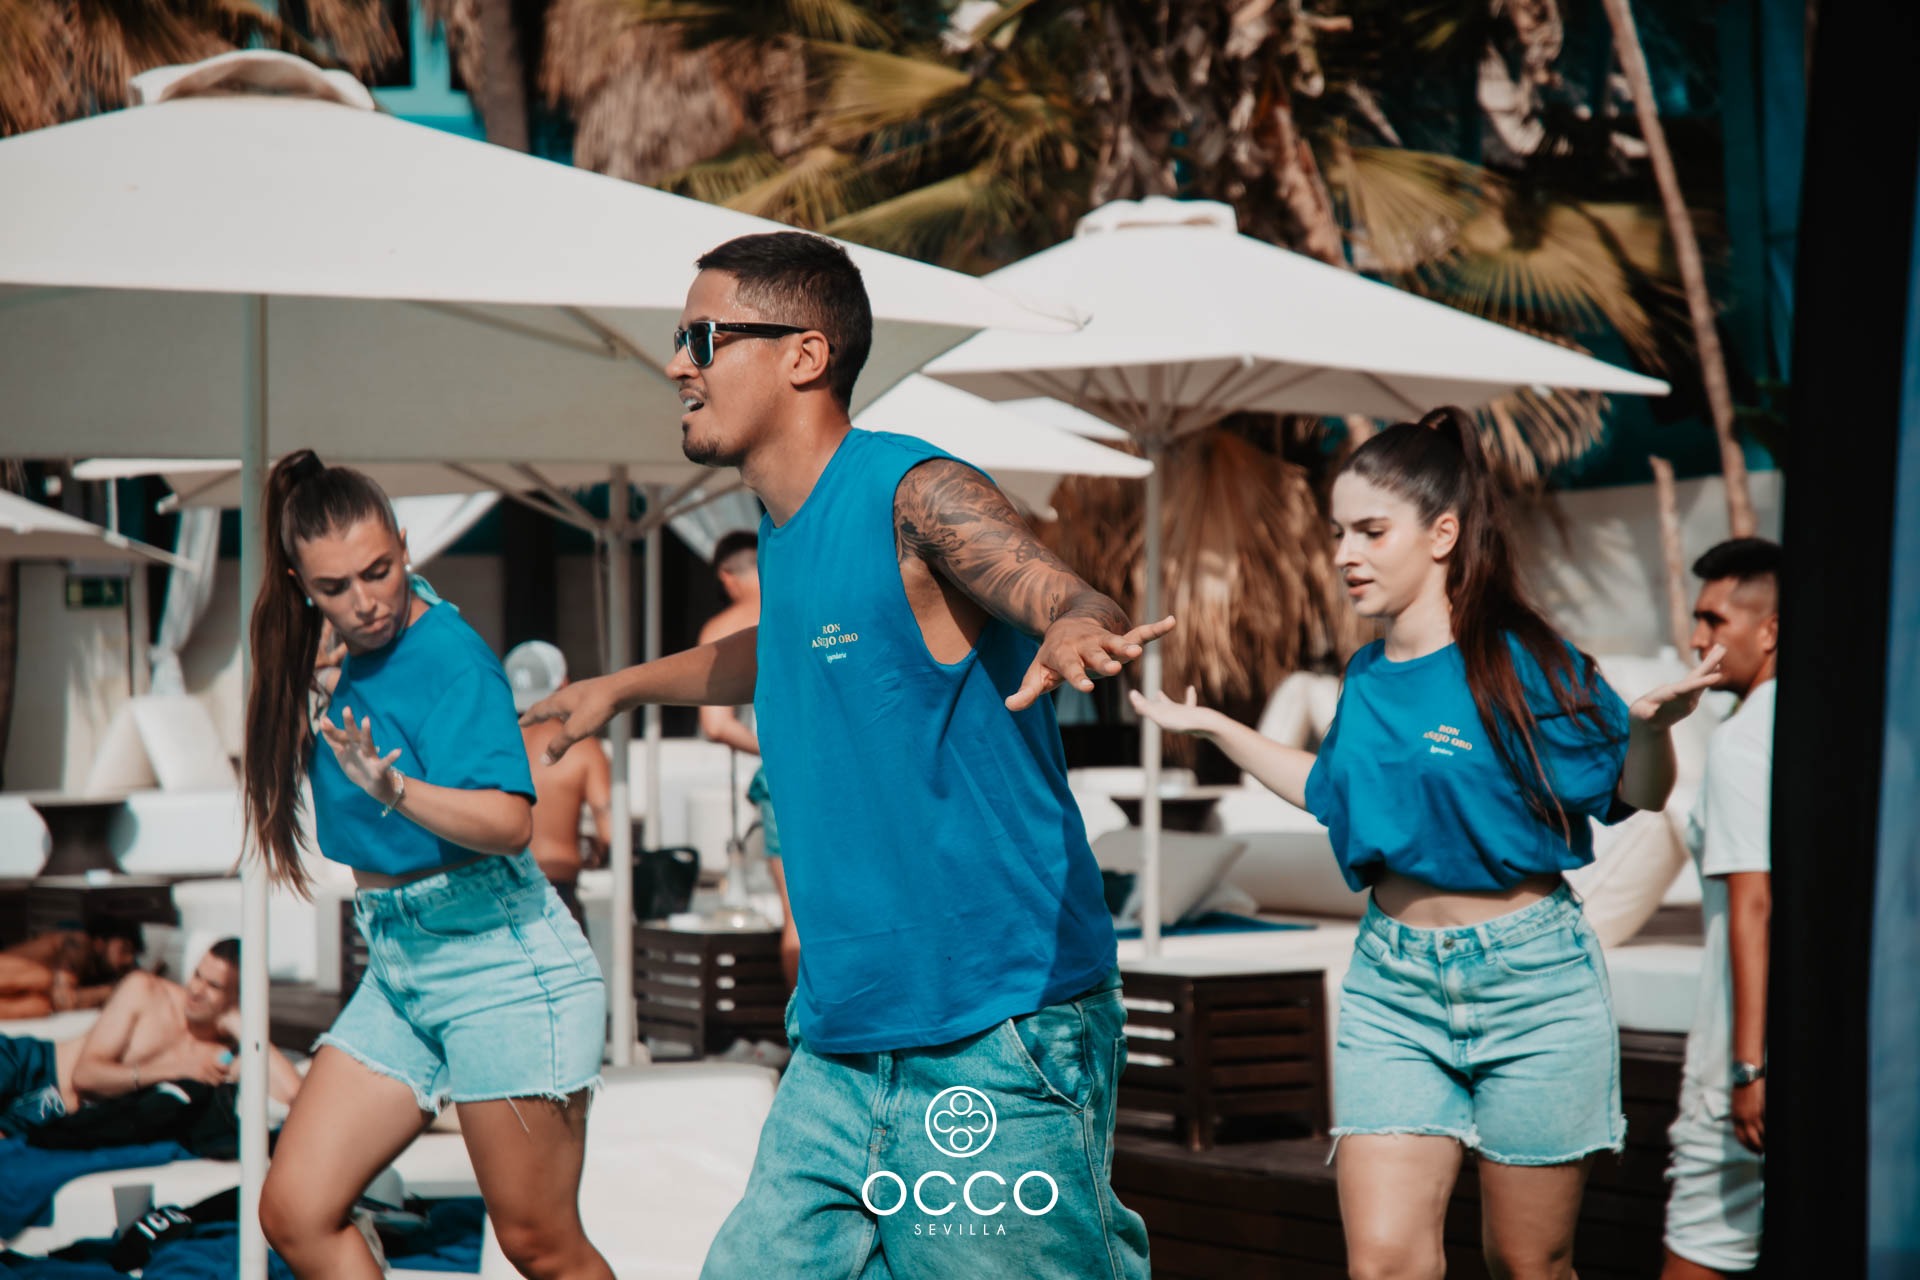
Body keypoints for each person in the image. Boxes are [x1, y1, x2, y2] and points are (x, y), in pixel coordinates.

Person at [524, 231, 1169, 1280]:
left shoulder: (913, 490)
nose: (678, 363)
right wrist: (621, 687)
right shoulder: (786, 527)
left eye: (702, 337)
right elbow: (783, 640)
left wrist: (1073, 625)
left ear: (805, 354)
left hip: (993, 1036)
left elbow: (1054, 586)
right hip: (837, 1050)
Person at [1130, 407, 1724, 1280]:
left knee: (1527, 1264)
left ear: (1443, 534)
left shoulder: (1528, 662)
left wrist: (1650, 734)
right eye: (1338, 532)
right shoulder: (1367, 676)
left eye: (1371, 531)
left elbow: (1637, 796)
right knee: (1383, 1264)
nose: (1346, 553)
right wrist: (1217, 728)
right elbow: (1332, 792)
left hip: (1532, 983)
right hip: (1392, 985)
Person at [242, 452, 610, 1280]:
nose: (365, 601)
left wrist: (396, 789)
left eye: (379, 570)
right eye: (336, 587)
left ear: (406, 546)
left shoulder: (451, 657)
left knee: (539, 1246)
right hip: (399, 965)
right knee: (295, 1212)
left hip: (501, 964)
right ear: (303, 586)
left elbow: (510, 823)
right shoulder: (336, 659)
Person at [1661, 538, 1779, 1280]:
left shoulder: (1742, 742)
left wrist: (1746, 1068)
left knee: (1700, 1251)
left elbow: (1753, 902)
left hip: (1737, 1059)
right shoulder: (1842, 733)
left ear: (1770, 630)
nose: (1698, 639)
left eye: (1714, 620)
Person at [2, 939, 301, 1136]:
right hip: (30, 1064)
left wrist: (244, 1026)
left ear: (238, 998)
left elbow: (293, 1095)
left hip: (52, 1111)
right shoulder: (146, 990)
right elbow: (85, 1075)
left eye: (213, 986)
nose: (196, 990)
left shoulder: (222, 1054)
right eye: (197, 975)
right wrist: (176, 1068)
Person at [693, 530, 798, 985]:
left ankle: (805, 1024)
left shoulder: (724, 626)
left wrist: (773, 746)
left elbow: (716, 725)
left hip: (784, 773)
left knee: (799, 915)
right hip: (843, 765)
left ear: (727, 577)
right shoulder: (804, 605)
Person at [506, 640, 612, 933]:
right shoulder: (584, 749)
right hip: (557, 891)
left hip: (497, 893)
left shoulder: (490, 745)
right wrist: (594, 851)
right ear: (563, 685)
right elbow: (610, 831)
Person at [0, 920, 142, 1019]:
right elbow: (63, 1002)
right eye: (124, 949)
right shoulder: (79, 943)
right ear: (100, 942)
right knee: (43, 980)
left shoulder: (91, 972)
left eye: (132, 956)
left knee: (39, 1006)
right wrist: (111, 992)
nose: (127, 960)